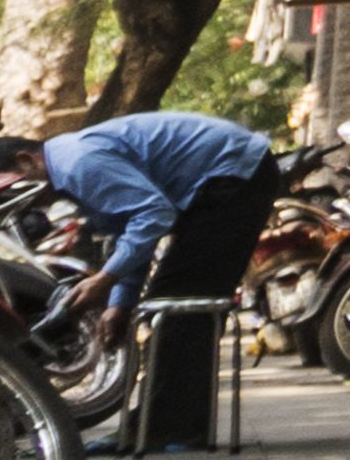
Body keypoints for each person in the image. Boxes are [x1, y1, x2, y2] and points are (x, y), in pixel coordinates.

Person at [38, 103, 281, 323]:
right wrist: (120, 303)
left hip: (231, 172)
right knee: (175, 304)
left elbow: (154, 213)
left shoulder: (75, 164)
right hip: (227, 172)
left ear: (25, 161)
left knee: (176, 305)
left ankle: (183, 373)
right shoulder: (68, 163)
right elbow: (132, 232)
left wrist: (106, 278)